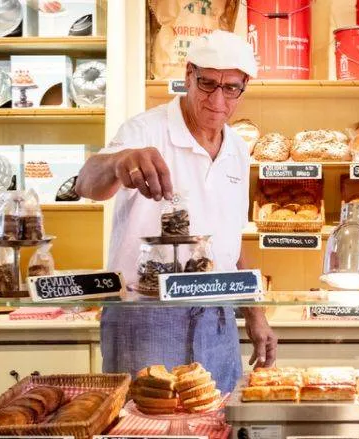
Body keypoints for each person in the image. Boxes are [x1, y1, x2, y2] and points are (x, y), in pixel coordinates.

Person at [75, 30, 277, 393]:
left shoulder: (237, 148)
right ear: (188, 75)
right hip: (146, 318)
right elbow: (87, 183)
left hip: (217, 319)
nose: (217, 99)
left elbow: (229, 241)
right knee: (145, 425)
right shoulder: (145, 129)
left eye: (231, 88)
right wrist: (121, 160)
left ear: (244, 87)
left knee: (214, 421)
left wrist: (254, 312)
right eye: (207, 83)